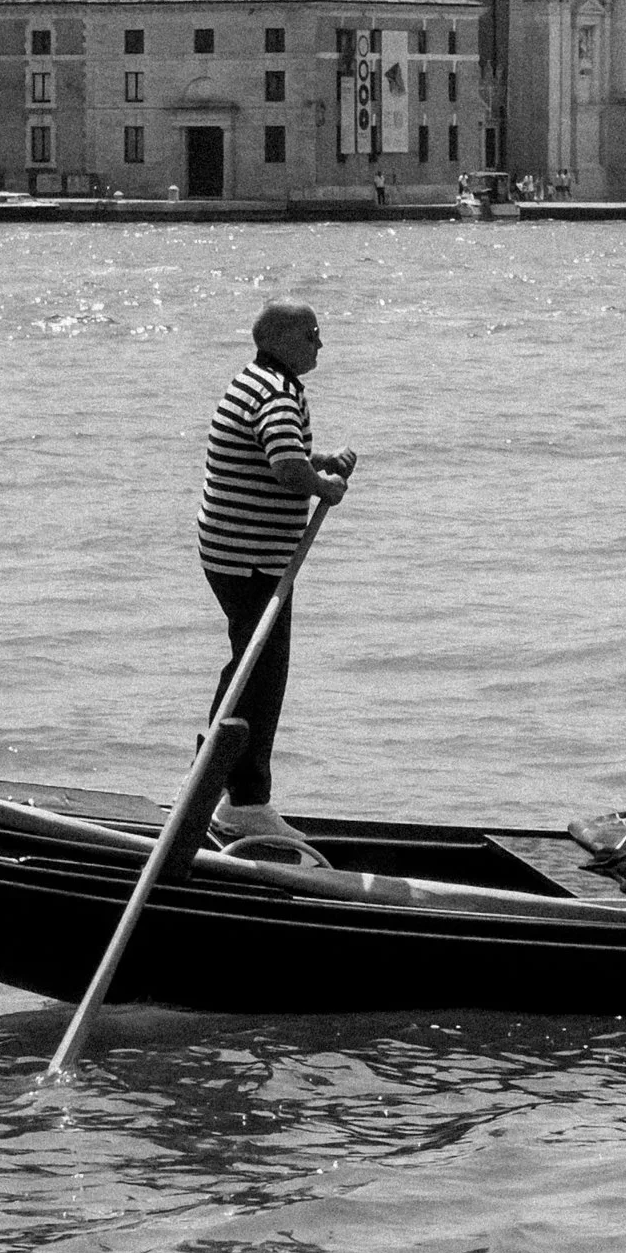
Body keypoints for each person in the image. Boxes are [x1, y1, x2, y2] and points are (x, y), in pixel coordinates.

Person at [195, 301, 352, 848]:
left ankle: (211, 781)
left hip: (231, 551)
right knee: (262, 674)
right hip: (250, 558)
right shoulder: (276, 393)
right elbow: (286, 468)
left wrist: (319, 460)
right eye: (313, 333)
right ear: (284, 339)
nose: (320, 345)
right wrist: (322, 486)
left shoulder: (258, 382)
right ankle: (246, 803)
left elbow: (281, 453)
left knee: (249, 663)